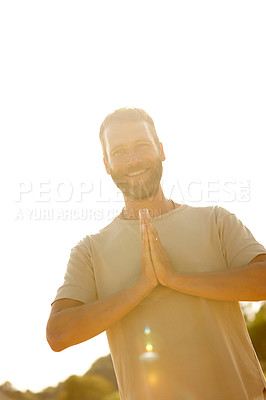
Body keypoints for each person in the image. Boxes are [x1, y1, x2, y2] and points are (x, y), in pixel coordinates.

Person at [46, 108, 266, 400]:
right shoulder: (89, 251)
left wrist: (174, 278)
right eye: (120, 151)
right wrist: (142, 286)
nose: (133, 159)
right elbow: (58, 334)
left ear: (161, 150)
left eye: (141, 146)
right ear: (106, 165)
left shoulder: (216, 220)